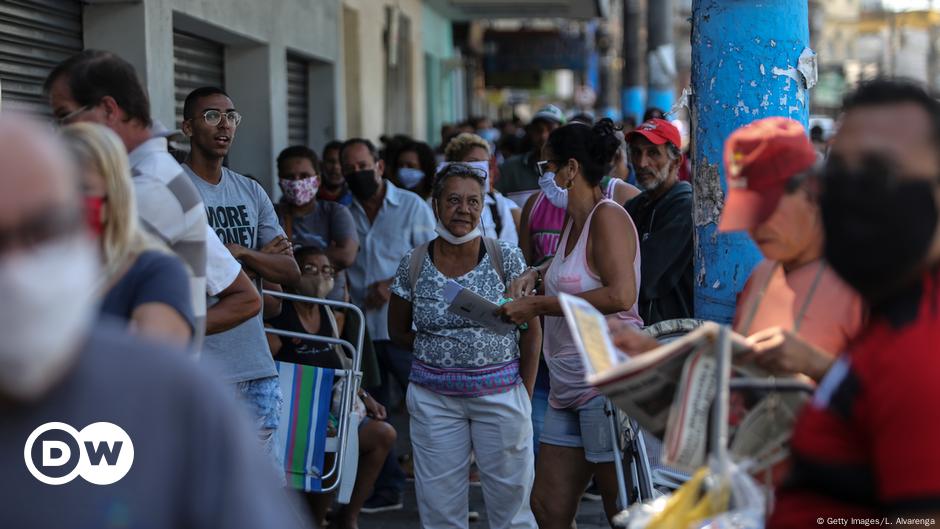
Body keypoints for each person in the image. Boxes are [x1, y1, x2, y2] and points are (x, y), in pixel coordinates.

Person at [0, 116, 310, 529]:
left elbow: (246, 298)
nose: (18, 263)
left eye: (41, 228)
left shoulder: (167, 374)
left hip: (239, 384)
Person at [767, 79, 940, 526]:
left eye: (878, 172)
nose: (850, 192)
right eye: (837, 172)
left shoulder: (920, 352)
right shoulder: (893, 310)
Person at [44, 49, 255, 349]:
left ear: (108, 110)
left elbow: (70, 302)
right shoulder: (145, 177)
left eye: (65, 116)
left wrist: (171, 334)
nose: (61, 132)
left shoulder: (149, 188)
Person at [499, 119, 643, 528]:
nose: (542, 176)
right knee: (547, 506)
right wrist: (538, 273)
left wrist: (541, 305)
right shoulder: (571, 221)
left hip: (606, 383)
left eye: (547, 167)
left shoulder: (607, 217)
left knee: (623, 510)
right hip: (566, 385)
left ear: (571, 169)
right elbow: (576, 271)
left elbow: (620, 295)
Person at [387, 163, 541, 529]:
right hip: (434, 402)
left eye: (474, 201)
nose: (464, 209)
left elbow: (532, 331)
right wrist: (444, 355)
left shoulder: (507, 257)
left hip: (501, 397)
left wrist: (524, 393)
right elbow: (398, 331)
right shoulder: (415, 262)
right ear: (435, 203)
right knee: (440, 508)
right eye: (453, 200)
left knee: (513, 507)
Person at [181, 86, 301, 461]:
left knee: (262, 499)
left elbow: (290, 270)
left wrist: (241, 252)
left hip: (256, 367)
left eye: (231, 116)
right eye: (212, 116)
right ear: (187, 128)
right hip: (201, 370)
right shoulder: (175, 192)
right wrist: (256, 261)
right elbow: (189, 270)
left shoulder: (250, 191)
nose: (225, 125)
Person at [720, 117, 864, 379]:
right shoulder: (761, 275)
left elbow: (903, 404)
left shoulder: (866, 284)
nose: (755, 226)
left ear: (813, 192)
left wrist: (816, 365)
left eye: (766, 209)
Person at [268, 247, 396, 529]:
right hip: (291, 413)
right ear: (293, 274)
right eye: (310, 269)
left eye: (327, 270)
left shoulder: (329, 313)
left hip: (328, 408)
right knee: (326, 438)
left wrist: (364, 395)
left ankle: (346, 517)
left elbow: (341, 364)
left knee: (382, 433)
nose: (320, 276)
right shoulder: (279, 314)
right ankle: (312, 520)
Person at [342, 137, 436, 511]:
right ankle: (387, 488)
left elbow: (430, 259)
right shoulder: (344, 213)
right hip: (362, 331)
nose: (356, 174)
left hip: (403, 328)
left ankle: (436, 486)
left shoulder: (411, 206)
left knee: (425, 406)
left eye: (362, 166)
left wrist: (391, 284)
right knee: (373, 410)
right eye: (349, 169)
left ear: (379, 166)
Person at [61, 123, 194, 347]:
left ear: (115, 193)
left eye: (82, 189)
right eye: (58, 189)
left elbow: (152, 370)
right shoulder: (33, 269)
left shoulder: (156, 272)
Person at [624, 118, 694, 325]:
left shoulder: (683, 207)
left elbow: (643, 277)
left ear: (676, 162)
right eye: (636, 152)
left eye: (653, 153)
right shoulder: (635, 205)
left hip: (671, 334)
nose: (641, 162)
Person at [276, 145, 359, 305]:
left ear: (318, 179)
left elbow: (346, 256)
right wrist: (323, 261)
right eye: (290, 177)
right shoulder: (271, 215)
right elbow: (266, 258)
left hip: (333, 309)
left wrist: (289, 263)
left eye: (304, 176)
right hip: (289, 309)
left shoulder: (335, 212)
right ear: (280, 181)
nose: (297, 182)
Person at [444, 132, 520, 245]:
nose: (481, 167)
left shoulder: (500, 205)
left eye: (485, 163)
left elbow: (510, 249)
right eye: (473, 161)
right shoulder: (438, 204)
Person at [497, 105, 566, 203]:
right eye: (538, 130)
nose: (544, 136)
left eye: (551, 129)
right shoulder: (509, 168)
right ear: (531, 132)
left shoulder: (571, 171)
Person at [319, 140, 353, 206]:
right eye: (330, 161)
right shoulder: (310, 196)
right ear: (321, 164)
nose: (335, 167)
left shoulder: (355, 199)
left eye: (341, 162)